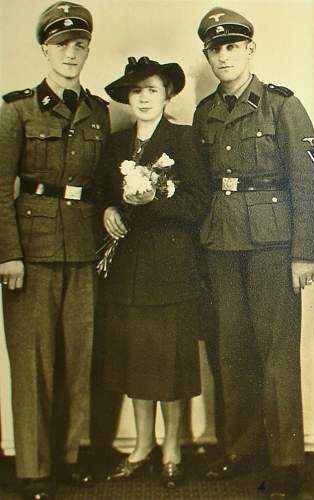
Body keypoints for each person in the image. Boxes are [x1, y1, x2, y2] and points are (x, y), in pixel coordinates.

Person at [193, 7, 314, 499]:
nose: (224, 56)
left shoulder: (282, 106)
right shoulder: (206, 112)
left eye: (232, 46)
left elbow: (307, 182)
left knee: (277, 353)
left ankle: (287, 462)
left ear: (249, 50)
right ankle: (241, 450)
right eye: (215, 48)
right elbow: (205, 184)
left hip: (273, 244)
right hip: (222, 244)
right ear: (208, 55)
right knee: (232, 349)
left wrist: (306, 252)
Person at [0, 2, 110, 499]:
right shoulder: (16, 110)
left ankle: (69, 458)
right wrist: (8, 254)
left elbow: (101, 182)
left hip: (82, 248)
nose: (72, 53)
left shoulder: (98, 112)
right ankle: (34, 470)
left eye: (80, 44)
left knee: (77, 359)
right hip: (32, 251)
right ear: (44, 49)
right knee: (33, 363)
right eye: (62, 44)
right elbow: (1, 187)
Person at [95, 56, 210, 488]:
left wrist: (154, 201)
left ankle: (173, 450)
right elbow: (102, 194)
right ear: (128, 96)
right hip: (127, 272)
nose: (144, 97)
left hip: (171, 271)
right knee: (137, 363)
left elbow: (198, 202)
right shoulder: (116, 143)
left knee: (171, 365)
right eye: (137, 91)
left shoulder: (183, 139)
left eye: (153, 90)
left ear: (167, 95)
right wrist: (108, 209)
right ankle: (143, 446)